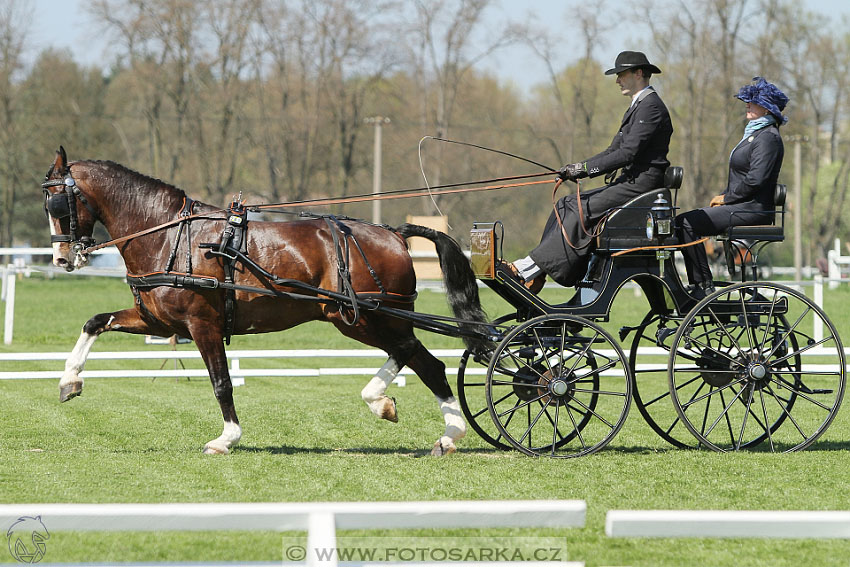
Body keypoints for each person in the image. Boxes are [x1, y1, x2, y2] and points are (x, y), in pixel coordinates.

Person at [508, 50, 674, 292]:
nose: (617, 80)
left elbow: (628, 154)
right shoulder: (638, 106)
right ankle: (538, 272)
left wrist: (584, 170)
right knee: (566, 203)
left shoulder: (651, 107)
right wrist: (576, 168)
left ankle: (527, 269)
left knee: (579, 208)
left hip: (641, 185)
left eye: (621, 74)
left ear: (639, 73)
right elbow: (612, 150)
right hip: (629, 183)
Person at [676, 77, 789, 295]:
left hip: (753, 210)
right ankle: (699, 283)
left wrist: (727, 199)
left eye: (753, 102)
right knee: (685, 221)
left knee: (687, 224)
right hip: (741, 205)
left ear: (766, 109)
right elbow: (742, 178)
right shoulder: (756, 134)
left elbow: (756, 180)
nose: (747, 105)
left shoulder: (768, 138)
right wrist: (723, 196)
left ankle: (702, 285)